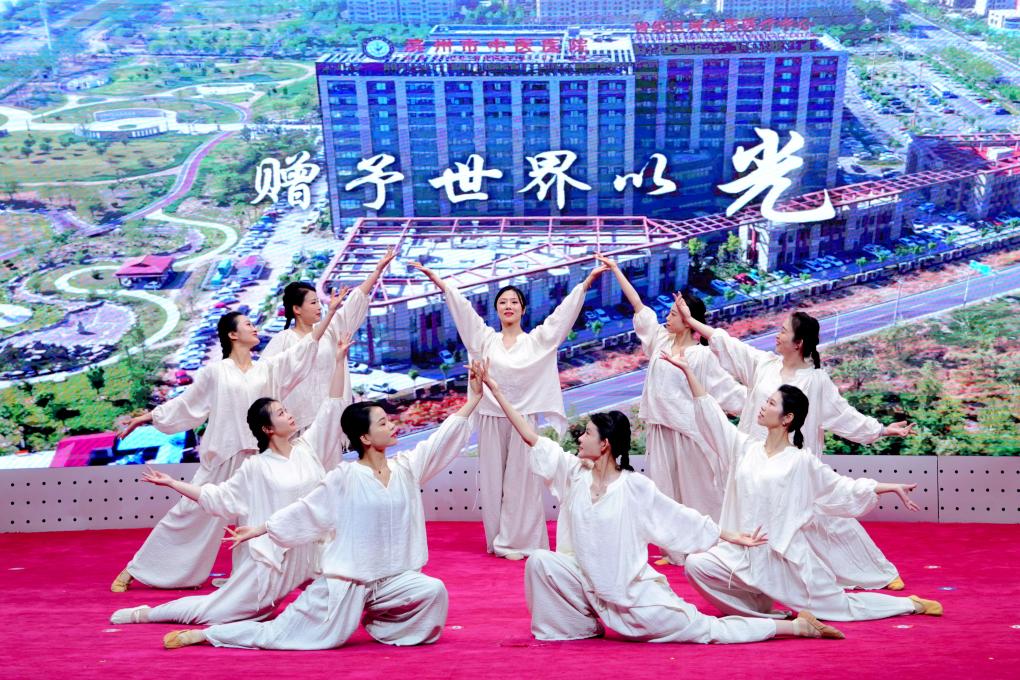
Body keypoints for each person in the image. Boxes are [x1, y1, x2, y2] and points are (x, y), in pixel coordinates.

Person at [477, 360, 846, 643]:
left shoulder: (633, 487)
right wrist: (494, 389)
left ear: (605, 445)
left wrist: (731, 536)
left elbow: (679, 518)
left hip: (633, 597)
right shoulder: (574, 473)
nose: (580, 439)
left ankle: (795, 627)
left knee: (706, 630)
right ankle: (577, 628)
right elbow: (530, 437)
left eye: (587, 434)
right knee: (542, 562)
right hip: (587, 582)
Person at [161, 362, 486, 650]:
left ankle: (383, 625)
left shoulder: (406, 468)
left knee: (432, 590)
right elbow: (307, 509)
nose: (392, 426)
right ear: (365, 438)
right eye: (383, 423)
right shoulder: (345, 477)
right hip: (347, 581)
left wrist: (473, 399)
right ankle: (209, 634)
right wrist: (260, 529)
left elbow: (439, 442)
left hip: (389, 580)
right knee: (281, 633)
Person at [661, 352, 943, 623]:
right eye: (766, 401)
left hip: (785, 560)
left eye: (771, 403)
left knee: (841, 608)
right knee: (696, 565)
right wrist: (688, 370)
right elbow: (711, 416)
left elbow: (841, 488)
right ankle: (765, 616)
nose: (763, 406)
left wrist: (889, 486)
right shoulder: (744, 449)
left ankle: (911, 604)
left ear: (787, 418)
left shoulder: (800, 461)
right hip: (740, 554)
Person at [110, 291, 348, 593]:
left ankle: (256, 579)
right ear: (233, 334)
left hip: (258, 457)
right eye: (248, 324)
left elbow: (304, 350)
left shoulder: (267, 368)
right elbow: (185, 405)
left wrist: (330, 313)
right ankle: (137, 568)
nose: (254, 328)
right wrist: (145, 418)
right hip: (224, 454)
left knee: (259, 518)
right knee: (189, 512)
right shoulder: (215, 372)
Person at [675, 301, 912, 591]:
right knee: (750, 514)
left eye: (783, 331)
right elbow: (727, 343)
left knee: (823, 518)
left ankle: (874, 571)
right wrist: (691, 321)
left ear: (798, 343)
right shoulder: (765, 365)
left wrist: (882, 429)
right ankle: (753, 575)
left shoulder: (815, 380)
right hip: (754, 455)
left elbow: (843, 415)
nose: (777, 335)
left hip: (790, 461)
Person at [410, 260, 609, 559]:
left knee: (523, 483)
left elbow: (561, 318)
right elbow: (463, 310)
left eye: (514, 301)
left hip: (523, 421)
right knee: (492, 483)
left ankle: (523, 541)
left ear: (523, 309)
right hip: (491, 417)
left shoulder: (536, 341)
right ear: (496, 309)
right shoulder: (484, 340)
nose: (508, 306)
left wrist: (586, 283)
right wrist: (438, 280)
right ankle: (497, 541)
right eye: (502, 302)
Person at [597, 254, 744, 564]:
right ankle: (674, 551)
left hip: (690, 433)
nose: (668, 317)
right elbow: (639, 307)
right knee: (664, 493)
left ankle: (710, 546)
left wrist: (763, 403)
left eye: (674, 314)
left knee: (697, 491)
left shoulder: (701, 356)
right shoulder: (660, 341)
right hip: (660, 428)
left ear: (688, 320)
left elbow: (728, 392)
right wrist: (616, 270)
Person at [261, 247, 395, 431]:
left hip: (333, 418)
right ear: (296, 309)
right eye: (313, 303)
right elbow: (264, 377)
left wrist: (377, 271)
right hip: (301, 424)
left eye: (318, 302)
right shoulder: (283, 340)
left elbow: (353, 304)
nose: (319, 307)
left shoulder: (329, 331)